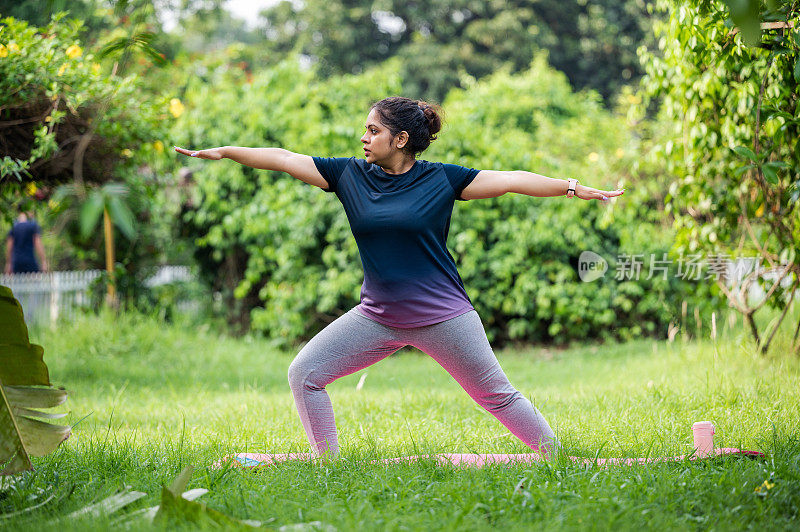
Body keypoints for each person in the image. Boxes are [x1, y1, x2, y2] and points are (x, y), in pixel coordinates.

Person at [175, 96, 624, 458]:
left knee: (497, 397)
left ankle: (561, 459)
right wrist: (226, 152)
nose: (364, 138)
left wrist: (570, 186)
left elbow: (508, 179)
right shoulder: (349, 175)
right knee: (305, 373)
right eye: (366, 129)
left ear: (402, 138)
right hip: (378, 316)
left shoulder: (444, 180)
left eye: (374, 130)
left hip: (443, 315)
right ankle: (327, 468)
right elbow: (283, 158)